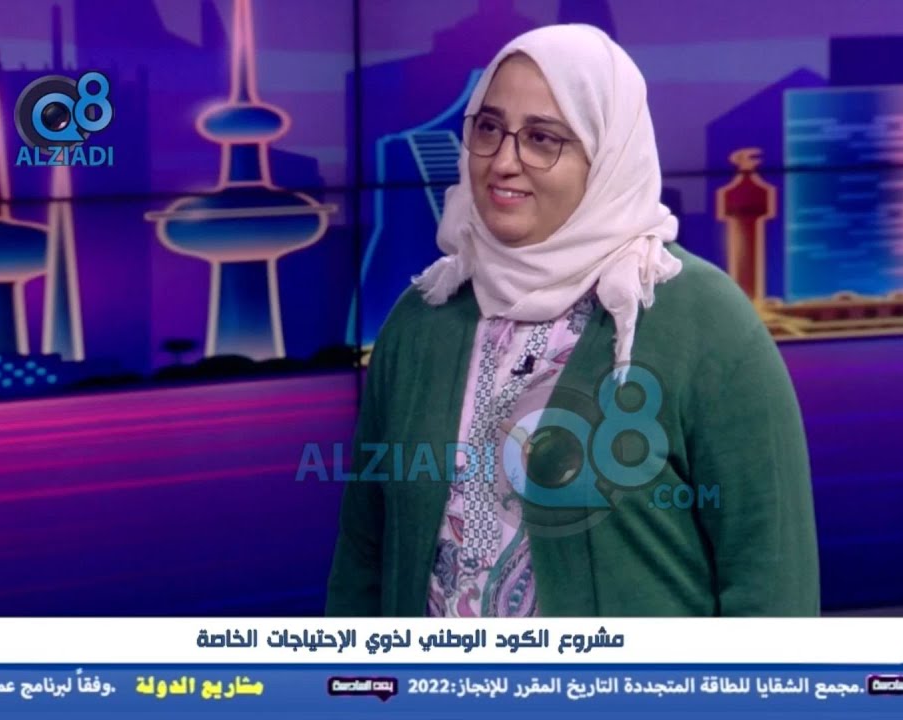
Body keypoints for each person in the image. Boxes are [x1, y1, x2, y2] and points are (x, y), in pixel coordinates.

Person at [326, 24, 819, 617]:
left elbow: (771, 582)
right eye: (489, 128)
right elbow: (363, 558)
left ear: (606, 154)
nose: (504, 162)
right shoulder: (422, 317)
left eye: (542, 138)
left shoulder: (703, 319)